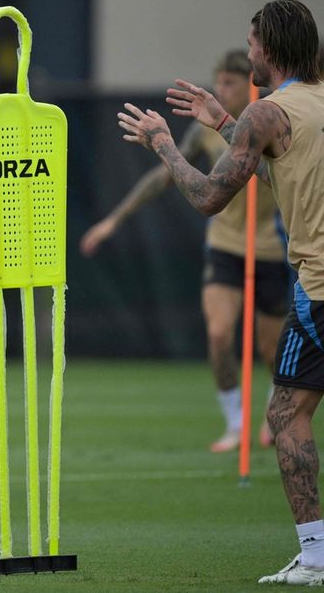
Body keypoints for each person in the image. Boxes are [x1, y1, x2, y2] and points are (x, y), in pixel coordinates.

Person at [118, 0, 324, 586]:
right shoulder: (308, 104)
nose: (248, 51)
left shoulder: (268, 112)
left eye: (252, 43)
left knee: (287, 417)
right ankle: (314, 556)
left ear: (271, 48)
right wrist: (220, 123)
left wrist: (162, 142)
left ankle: (315, 558)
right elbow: (279, 167)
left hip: (320, 286)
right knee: (291, 412)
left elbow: (210, 196)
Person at [81, 50, 287, 453]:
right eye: (219, 81)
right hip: (226, 246)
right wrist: (113, 220)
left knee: (271, 350)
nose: (221, 90)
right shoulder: (205, 132)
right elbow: (164, 176)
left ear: (251, 84)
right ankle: (234, 422)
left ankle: (272, 416)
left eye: (230, 83)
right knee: (218, 333)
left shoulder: (271, 123)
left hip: (271, 249)